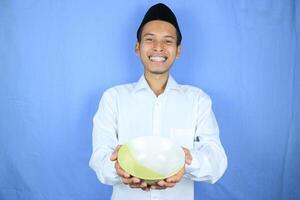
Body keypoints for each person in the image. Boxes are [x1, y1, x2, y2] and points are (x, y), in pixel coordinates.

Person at [89, 3, 227, 200]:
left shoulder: (198, 100)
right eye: (149, 39)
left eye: (168, 41)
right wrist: (117, 167)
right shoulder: (113, 98)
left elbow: (217, 162)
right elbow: (99, 159)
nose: (158, 47)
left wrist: (186, 160)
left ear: (178, 50)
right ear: (137, 47)